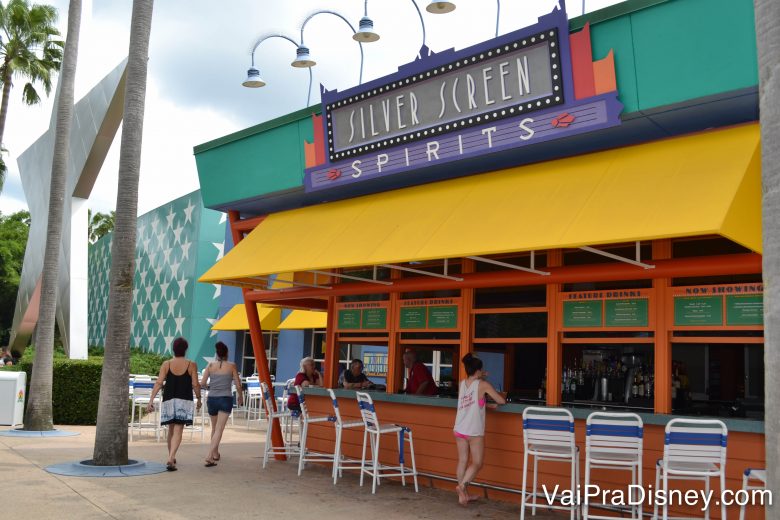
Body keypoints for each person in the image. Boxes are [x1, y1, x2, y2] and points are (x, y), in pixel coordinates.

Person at [453, 353, 506, 506]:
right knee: (477, 463)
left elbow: (470, 403)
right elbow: (501, 400)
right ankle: (462, 486)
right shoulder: (483, 384)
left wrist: (486, 405)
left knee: (463, 460)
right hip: (473, 430)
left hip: (459, 428)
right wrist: (485, 379)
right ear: (478, 371)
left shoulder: (462, 384)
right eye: (482, 370)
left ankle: (463, 496)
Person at [147, 337, 201, 471]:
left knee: (170, 429)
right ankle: (171, 457)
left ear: (173, 349)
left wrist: (151, 400)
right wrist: (199, 398)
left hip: (169, 399)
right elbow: (195, 384)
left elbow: (159, 383)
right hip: (184, 400)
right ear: (185, 349)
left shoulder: (166, 364)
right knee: (178, 430)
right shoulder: (191, 364)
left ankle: (171, 455)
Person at [200, 341, 243, 467]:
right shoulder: (232, 366)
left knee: (214, 428)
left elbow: (202, 383)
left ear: (217, 354)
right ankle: (209, 455)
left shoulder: (210, 365)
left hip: (212, 398)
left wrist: (211, 387)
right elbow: (238, 384)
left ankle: (215, 453)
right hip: (225, 398)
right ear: (227, 353)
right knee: (219, 429)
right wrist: (240, 396)